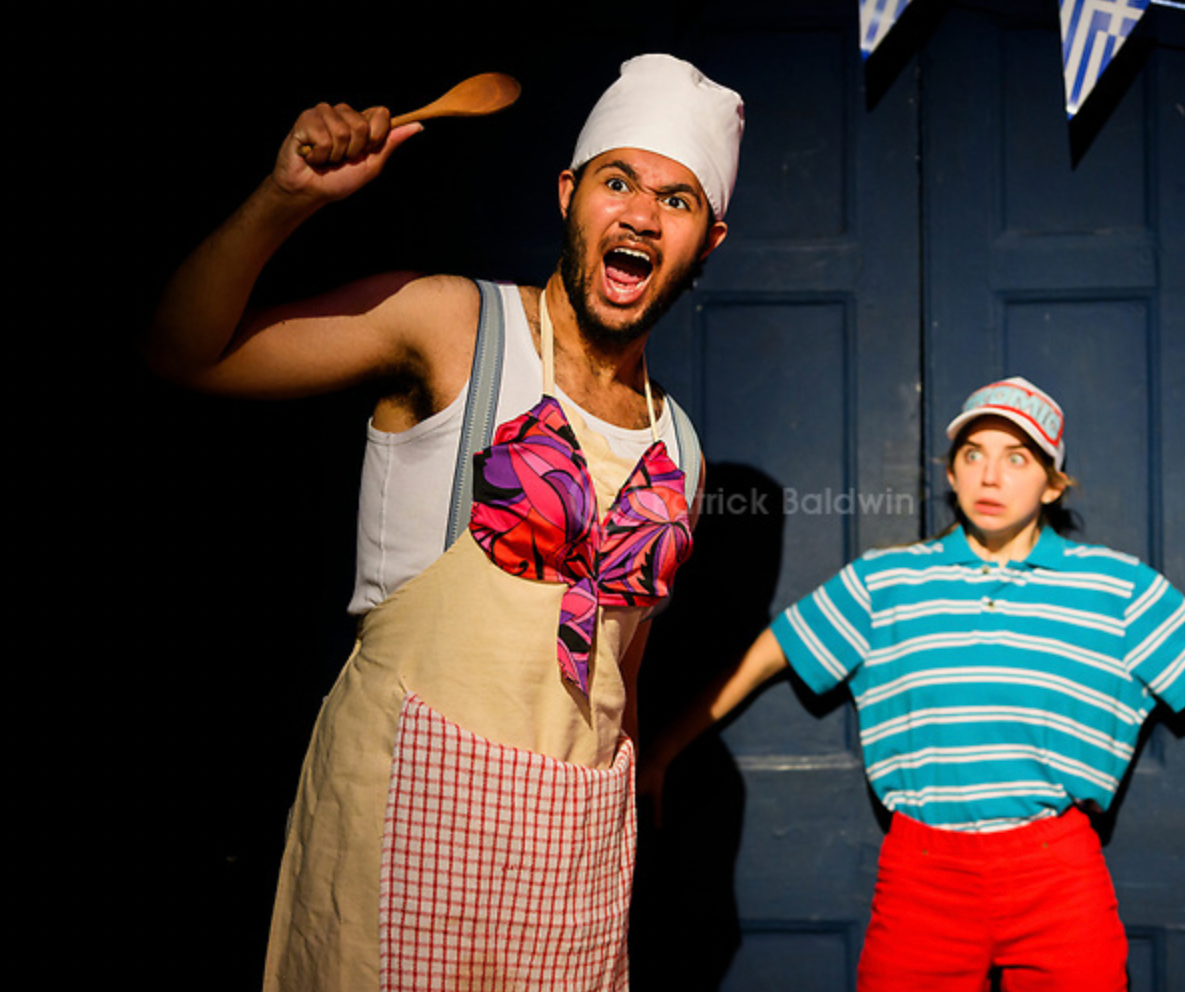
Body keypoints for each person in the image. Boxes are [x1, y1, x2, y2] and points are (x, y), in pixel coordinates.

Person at [145, 54, 743, 992]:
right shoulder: (450, 325)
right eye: (615, 181)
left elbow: (619, 671)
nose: (636, 213)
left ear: (705, 241)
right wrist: (284, 198)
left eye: (673, 199)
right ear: (567, 194)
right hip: (407, 826)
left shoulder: (683, 448)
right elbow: (182, 355)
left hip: (569, 874)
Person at [643, 376, 1185, 991]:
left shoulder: (1112, 586)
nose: (989, 476)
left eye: (1017, 459)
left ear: (1051, 482)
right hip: (921, 872)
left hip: (1055, 869)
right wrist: (662, 750)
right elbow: (769, 651)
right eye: (972, 455)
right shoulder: (885, 582)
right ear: (949, 473)